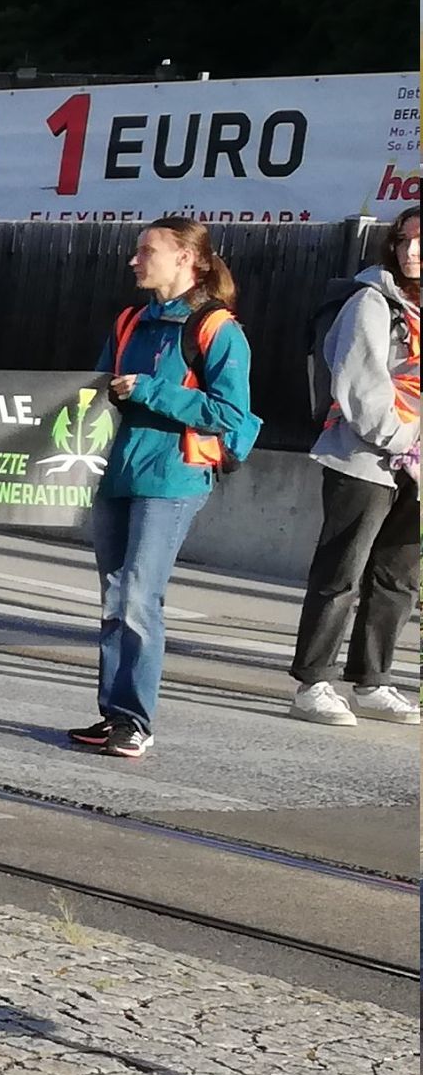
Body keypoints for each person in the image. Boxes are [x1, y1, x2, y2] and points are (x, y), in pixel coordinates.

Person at [69, 214, 257, 761]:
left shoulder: (217, 328)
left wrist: (151, 391)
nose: (134, 259)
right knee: (114, 596)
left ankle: (135, 720)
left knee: (137, 597)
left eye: (146, 250)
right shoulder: (129, 320)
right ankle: (114, 714)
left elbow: (229, 412)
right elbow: (97, 391)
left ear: (186, 259)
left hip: (173, 475)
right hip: (117, 473)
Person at [290, 208, 420, 725]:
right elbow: (360, 384)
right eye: (405, 241)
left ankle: (372, 680)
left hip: (417, 466)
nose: (411, 252)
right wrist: (403, 438)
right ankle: (312, 682)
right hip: (365, 457)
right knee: (341, 572)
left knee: (399, 577)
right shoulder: (371, 302)